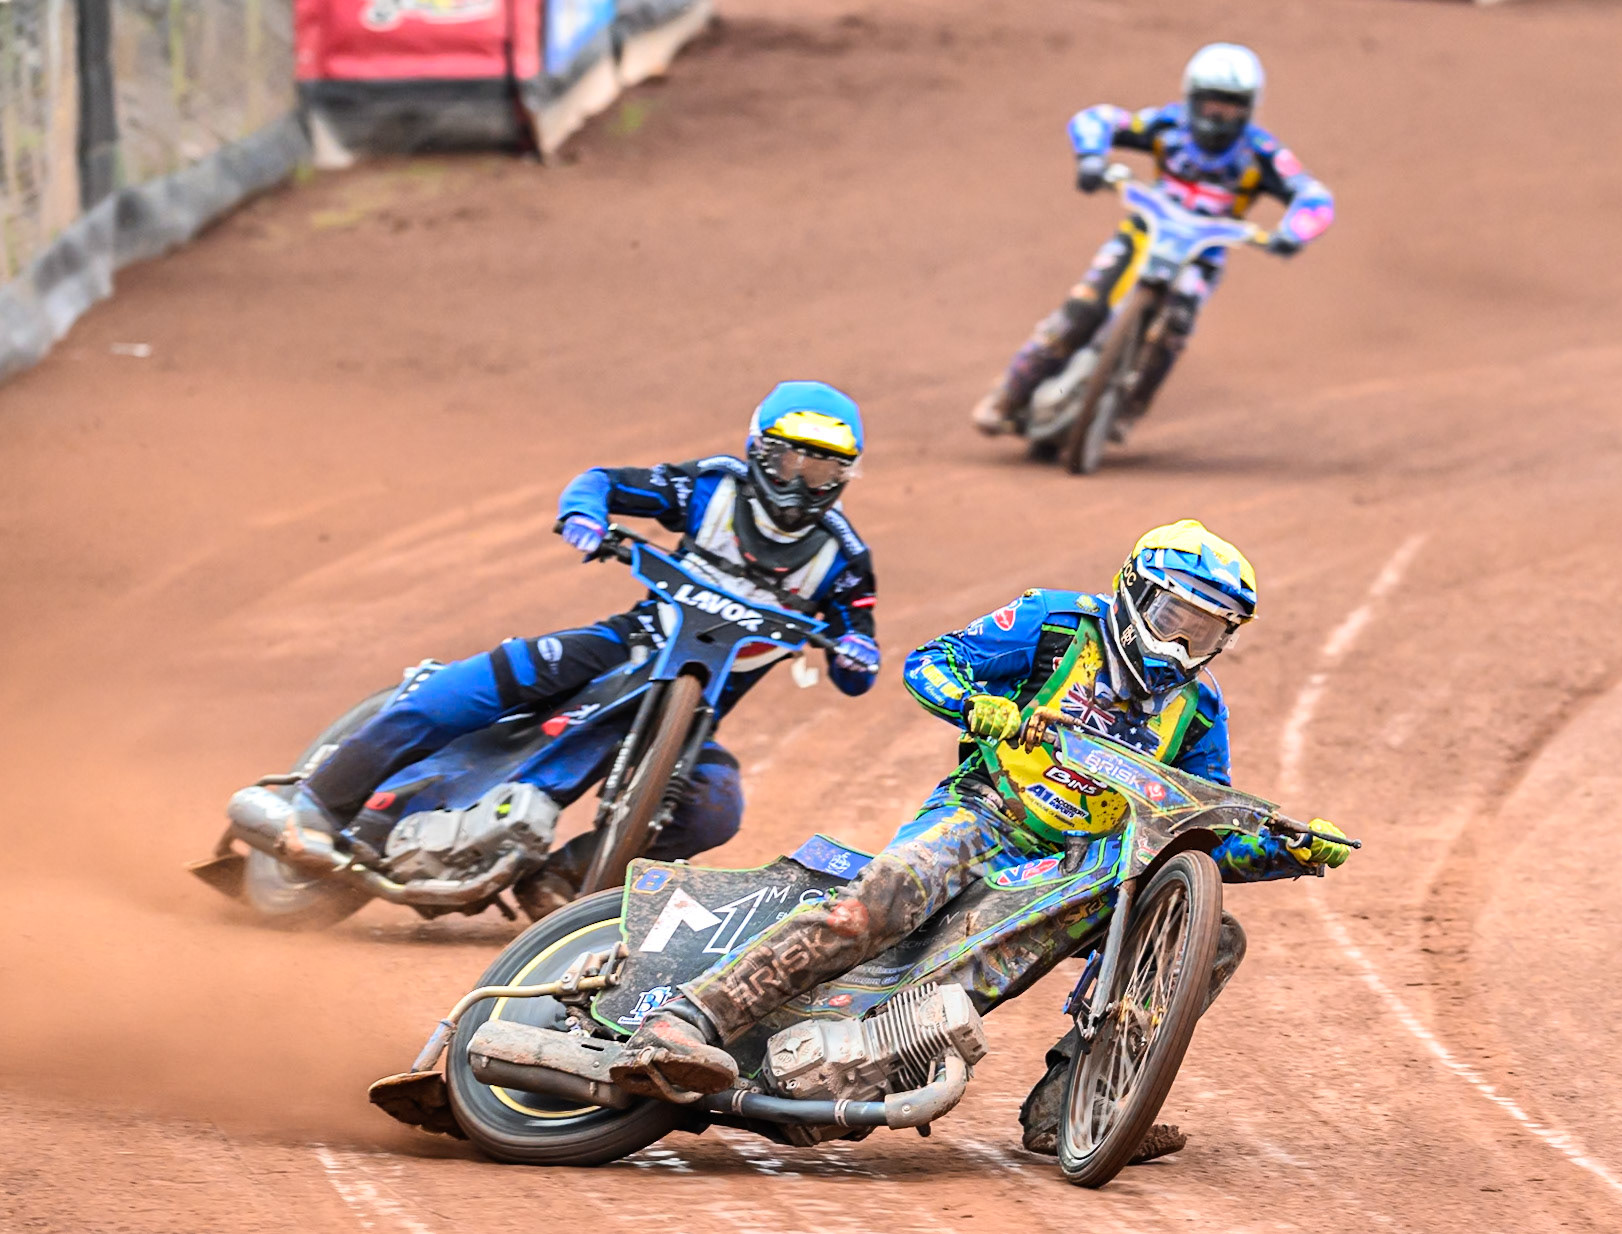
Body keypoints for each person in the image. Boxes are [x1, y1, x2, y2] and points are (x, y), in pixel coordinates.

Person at [608, 519, 1351, 1161]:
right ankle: (686, 1018)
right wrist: (983, 707)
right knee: (884, 898)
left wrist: (1287, 854)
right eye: (1171, 615)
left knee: (1210, 934)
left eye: (1206, 630)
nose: (1181, 641)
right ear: (1132, 593)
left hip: (1081, 867)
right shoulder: (1057, 622)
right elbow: (929, 662)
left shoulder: (1199, 709)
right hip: (988, 811)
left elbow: (1195, 833)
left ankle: (1072, 1104)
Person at [285, 381, 881, 920]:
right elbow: (603, 481)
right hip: (622, 644)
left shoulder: (844, 558)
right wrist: (584, 515)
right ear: (758, 452)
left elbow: (859, 657)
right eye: (790, 460)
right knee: (469, 687)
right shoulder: (711, 487)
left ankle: (566, 877)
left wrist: (856, 652)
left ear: (845, 477)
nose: (802, 483)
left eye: (823, 471)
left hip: (695, 714)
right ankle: (321, 803)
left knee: (715, 808)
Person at [973, 43, 1335, 439]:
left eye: (1231, 107)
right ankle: (1010, 394)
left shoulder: (1261, 153)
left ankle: (1129, 407)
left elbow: (1313, 197)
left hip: (1202, 254)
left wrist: (1292, 233)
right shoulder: (1168, 127)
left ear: (1250, 107)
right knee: (1083, 309)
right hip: (1144, 234)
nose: (1218, 116)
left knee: (1177, 325)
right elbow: (1098, 118)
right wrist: (1091, 158)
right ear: (1191, 97)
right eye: (1211, 104)